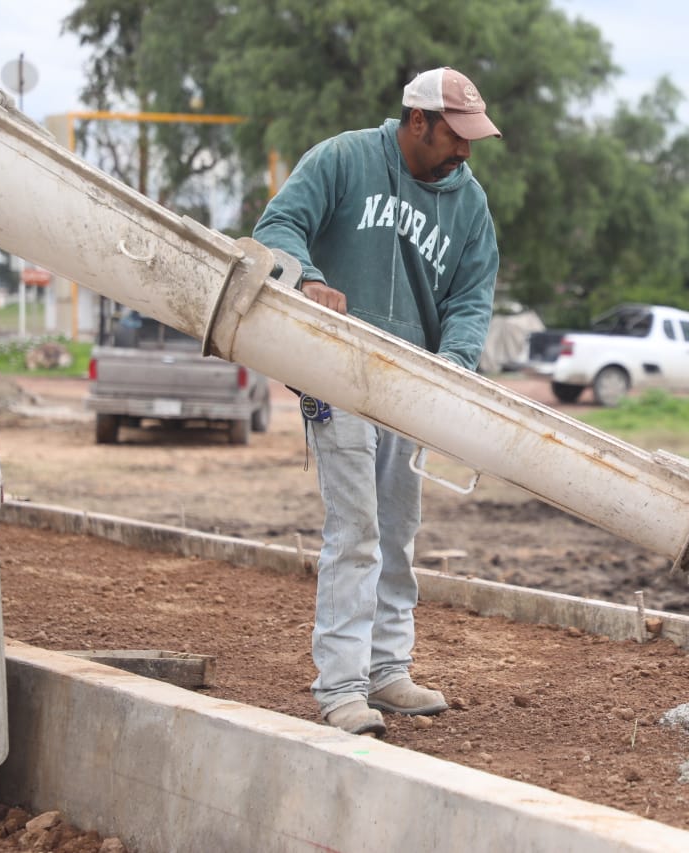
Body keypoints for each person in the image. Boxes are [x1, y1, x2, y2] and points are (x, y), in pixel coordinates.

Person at [252, 67, 502, 737]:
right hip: (336, 369)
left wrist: (452, 366)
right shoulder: (343, 158)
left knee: (397, 529)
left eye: (473, 139)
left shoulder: (469, 202)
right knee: (356, 528)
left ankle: (388, 667)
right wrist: (305, 277)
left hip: (412, 383)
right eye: (456, 135)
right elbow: (279, 225)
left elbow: (473, 296)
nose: (465, 152)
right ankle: (340, 687)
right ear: (417, 121)